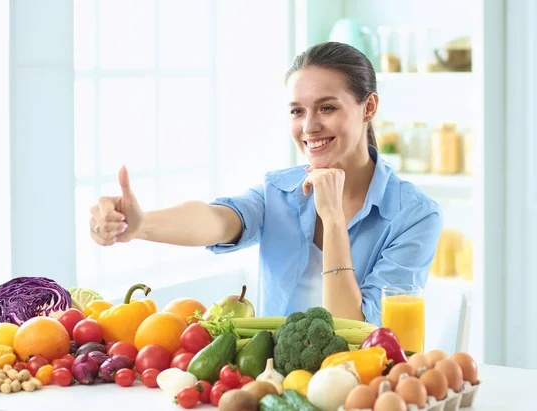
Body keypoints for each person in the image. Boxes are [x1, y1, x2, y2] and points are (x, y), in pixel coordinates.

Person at [89, 42, 443, 326]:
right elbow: (217, 221)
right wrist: (141, 225)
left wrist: (333, 220)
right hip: (275, 385)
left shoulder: (414, 216)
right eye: (297, 111)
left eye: (327, 108)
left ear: (369, 108)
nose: (309, 127)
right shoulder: (279, 191)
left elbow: (351, 332)